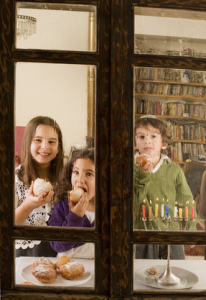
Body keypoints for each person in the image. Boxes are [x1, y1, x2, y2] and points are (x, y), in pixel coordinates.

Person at [134, 115, 196, 259]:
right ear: (135, 143)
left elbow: (185, 198)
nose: (147, 140)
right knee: (145, 272)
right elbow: (135, 202)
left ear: (164, 143)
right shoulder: (132, 169)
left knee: (174, 270)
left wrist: (190, 229)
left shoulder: (174, 170)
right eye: (141, 137)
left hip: (171, 232)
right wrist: (143, 175)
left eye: (153, 136)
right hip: (143, 233)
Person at [15, 116, 64, 257]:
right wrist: (28, 205)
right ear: (27, 143)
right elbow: (6, 225)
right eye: (38, 140)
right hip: (25, 254)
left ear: (58, 147)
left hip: (60, 253)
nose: (45, 147)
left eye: (51, 142)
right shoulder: (16, 179)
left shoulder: (66, 178)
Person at [50, 148, 95, 259]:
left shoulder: (107, 209)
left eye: (89, 174)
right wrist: (75, 217)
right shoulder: (63, 205)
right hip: (66, 269)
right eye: (76, 172)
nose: (80, 180)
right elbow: (57, 245)